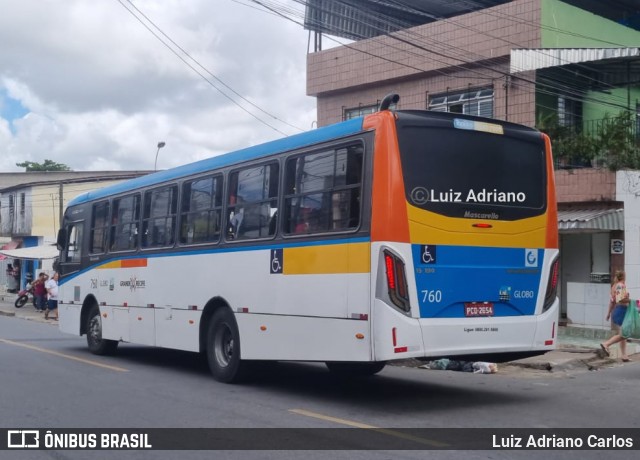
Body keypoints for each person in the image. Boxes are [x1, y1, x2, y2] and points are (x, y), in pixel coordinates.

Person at [601, 270, 631, 362]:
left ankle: (624, 355)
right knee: (624, 334)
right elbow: (620, 299)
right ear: (624, 277)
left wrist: (608, 313)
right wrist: (630, 300)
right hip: (622, 311)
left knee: (623, 334)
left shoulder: (614, 286)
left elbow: (612, 302)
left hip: (617, 311)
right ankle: (606, 344)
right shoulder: (620, 286)